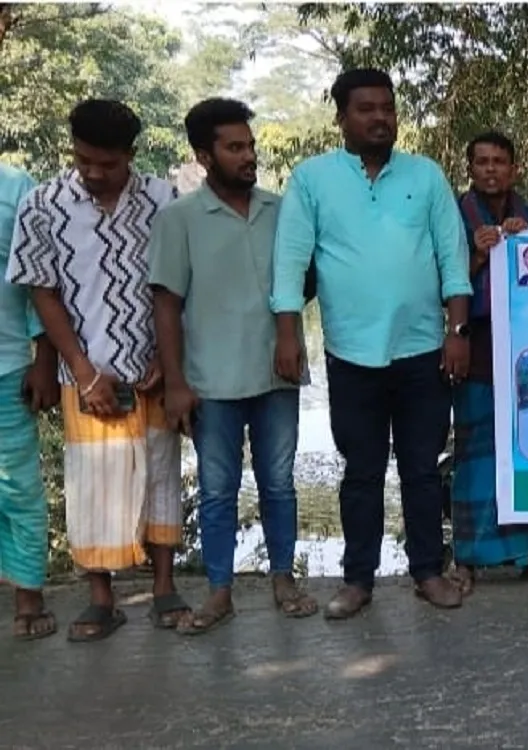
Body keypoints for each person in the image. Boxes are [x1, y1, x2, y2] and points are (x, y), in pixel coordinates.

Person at [272, 68, 471, 618]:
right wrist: (288, 332)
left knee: (423, 469)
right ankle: (358, 580)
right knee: (360, 471)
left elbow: (452, 260)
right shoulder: (312, 180)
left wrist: (457, 333)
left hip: (423, 350)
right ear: (340, 117)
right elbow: (290, 261)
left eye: (387, 107)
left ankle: (428, 571)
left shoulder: (426, 176)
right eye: (366, 108)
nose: (380, 117)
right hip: (350, 353)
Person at [6, 99, 188, 640]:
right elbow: (43, 292)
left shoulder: (164, 201)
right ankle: (101, 597)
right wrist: (82, 371)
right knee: (90, 482)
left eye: (107, 163)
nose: (93, 172)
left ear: (130, 155)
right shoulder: (43, 203)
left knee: (160, 475)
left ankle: (163, 588)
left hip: (152, 367)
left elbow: (179, 287)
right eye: (84, 159)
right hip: (83, 371)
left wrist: (165, 358)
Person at [148, 98, 318, 634]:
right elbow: (166, 304)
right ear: (204, 155)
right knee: (218, 489)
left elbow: (305, 280)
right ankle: (219, 591)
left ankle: (284, 579)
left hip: (276, 375)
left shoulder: (281, 210)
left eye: (251, 146)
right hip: (210, 381)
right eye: (235, 147)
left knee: (279, 484)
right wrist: (175, 383)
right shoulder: (179, 219)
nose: (249, 156)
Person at [452, 130, 528, 595]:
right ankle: (467, 559)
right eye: (482, 162)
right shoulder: (454, 215)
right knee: (475, 454)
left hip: (525, 351)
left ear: (514, 168)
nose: (491, 169)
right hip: (476, 346)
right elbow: (441, 277)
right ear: (470, 169)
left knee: (526, 452)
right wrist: (478, 255)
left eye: (500, 161)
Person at [0, 160, 59, 641]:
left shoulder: (18, 187)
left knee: (19, 487)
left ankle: (28, 593)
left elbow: (40, 279)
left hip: (8, 365)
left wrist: (45, 359)